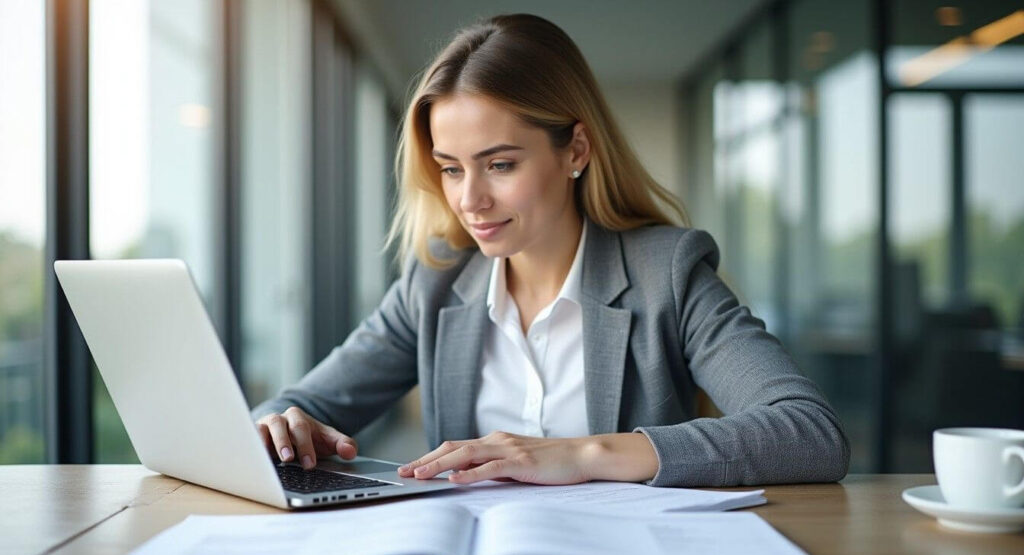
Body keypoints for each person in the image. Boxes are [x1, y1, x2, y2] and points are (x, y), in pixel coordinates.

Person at [251, 13, 850, 487]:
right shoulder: (435, 282)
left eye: (500, 164)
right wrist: (282, 424)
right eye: (451, 169)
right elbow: (299, 405)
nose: (471, 200)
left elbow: (809, 431)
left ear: (576, 151)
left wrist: (581, 454)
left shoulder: (667, 273)